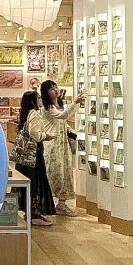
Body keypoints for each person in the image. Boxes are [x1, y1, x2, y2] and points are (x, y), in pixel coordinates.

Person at [33, 79, 79, 217]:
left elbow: (62, 120)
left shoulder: (58, 105)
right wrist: (75, 102)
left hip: (62, 144)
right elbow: (62, 115)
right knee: (54, 173)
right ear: (46, 93)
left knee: (65, 172)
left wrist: (69, 129)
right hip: (52, 144)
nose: (56, 90)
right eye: (52, 89)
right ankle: (46, 203)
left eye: (56, 87)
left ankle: (61, 204)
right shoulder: (48, 108)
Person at [15, 91, 56, 226]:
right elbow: (35, 134)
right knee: (35, 183)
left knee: (27, 184)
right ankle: (34, 214)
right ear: (33, 101)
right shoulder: (35, 114)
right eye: (38, 98)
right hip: (33, 156)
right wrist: (45, 136)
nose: (40, 100)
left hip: (24, 157)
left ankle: (29, 212)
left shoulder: (25, 114)